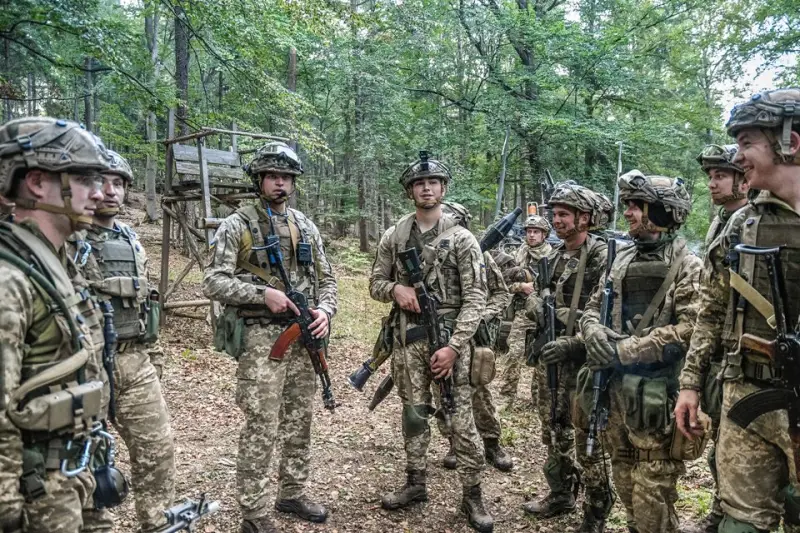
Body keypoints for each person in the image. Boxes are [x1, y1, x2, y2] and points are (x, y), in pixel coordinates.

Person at [674, 88, 800, 533]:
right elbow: (711, 308)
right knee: (739, 523)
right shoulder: (740, 225)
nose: (738, 155)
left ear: (790, 142)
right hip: (746, 399)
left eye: (747, 143)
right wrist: (689, 385)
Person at [202, 142, 337, 533]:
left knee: (300, 419)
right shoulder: (237, 225)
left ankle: (291, 492)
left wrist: (326, 312)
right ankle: (254, 511)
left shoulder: (305, 225)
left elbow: (327, 279)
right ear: (259, 179)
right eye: (273, 177)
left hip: (304, 337)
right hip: (261, 338)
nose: (280, 184)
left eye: (286, 178)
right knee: (262, 423)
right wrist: (263, 295)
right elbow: (213, 281)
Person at [0, 117, 118, 533]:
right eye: (86, 178)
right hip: (37, 490)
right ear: (36, 182)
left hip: (76, 467)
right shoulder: (9, 279)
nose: (102, 193)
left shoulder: (57, 262)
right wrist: (8, 508)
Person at [369, 152, 492, 532]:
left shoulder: (462, 239)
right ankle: (415, 483)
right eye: (420, 184)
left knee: (460, 418)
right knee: (414, 412)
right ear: (410, 191)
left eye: (433, 182)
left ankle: (473, 495)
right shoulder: (395, 234)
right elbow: (374, 283)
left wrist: (455, 347)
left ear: (443, 189)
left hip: (451, 340)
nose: (426, 188)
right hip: (409, 339)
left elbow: (476, 297)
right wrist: (395, 289)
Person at [582, 171, 700, 533]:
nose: (629, 213)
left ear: (664, 213)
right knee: (624, 475)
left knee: (653, 491)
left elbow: (692, 327)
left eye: (638, 205)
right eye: (628, 205)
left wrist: (628, 349)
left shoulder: (688, 265)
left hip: (657, 395)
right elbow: (590, 308)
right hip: (614, 393)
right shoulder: (620, 260)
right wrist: (592, 333)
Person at [67, 149, 176, 532]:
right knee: (85, 464)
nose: (110, 191)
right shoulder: (65, 239)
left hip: (134, 361)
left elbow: (147, 306)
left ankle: (158, 523)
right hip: (82, 368)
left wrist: (154, 355)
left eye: (119, 183)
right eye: (102, 181)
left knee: (157, 452)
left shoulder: (130, 239)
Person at [522, 182, 611, 533]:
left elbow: (605, 314)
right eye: (554, 214)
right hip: (550, 359)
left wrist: (573, 343)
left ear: (584, 218)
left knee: (587, 438)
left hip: (585, 363)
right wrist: (536, 305)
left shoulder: (603, 256)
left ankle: (596, 509)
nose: (555, 220)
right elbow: (537, 304)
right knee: (552, 429)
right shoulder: (554, 256)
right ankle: (561, 492)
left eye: (563, 214)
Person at [692, 143, 750, 532]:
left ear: (742, 180)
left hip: (744, 347)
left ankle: (724, 511)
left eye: (721, 175)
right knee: (721, 447)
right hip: (719, 346)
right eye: (710, 177)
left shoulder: (748, 220)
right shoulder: (720, 220)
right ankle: (721, 508)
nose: (713, 183)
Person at [438, 201, 513, 473]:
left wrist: (482, 315)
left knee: (479, 392)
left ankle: (492, 443)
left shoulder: (480, 255)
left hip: (475, 338)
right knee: (444, 391)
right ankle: (455, 442)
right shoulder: (435, 257)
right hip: (446, 334)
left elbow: (501, 294)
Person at [497, 214, 553, 411]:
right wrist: (522, 286)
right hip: (522, 313)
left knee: (541, 358)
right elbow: (504, 282)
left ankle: (539, 399)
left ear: (544, 234)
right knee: (514, 354)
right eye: (529, 231)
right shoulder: (519, 254)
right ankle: (506, 397)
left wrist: (537, 289)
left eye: (536, 231)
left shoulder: (552, 255)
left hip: (543, 313)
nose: (531, 235)